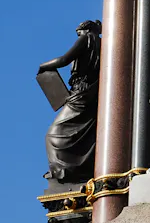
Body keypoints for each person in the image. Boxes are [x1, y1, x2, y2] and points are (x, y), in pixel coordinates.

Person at [38, 19, 102, 182]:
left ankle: (62, 170)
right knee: (83, 132)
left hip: (81, 92)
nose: (78, 36)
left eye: (79, 32)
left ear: (86, 30)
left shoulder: (87, 39)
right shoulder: (101, 43)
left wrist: (43, 66)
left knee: (53, 135)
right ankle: (79, 168)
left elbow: (64, 60)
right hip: (89, 91)